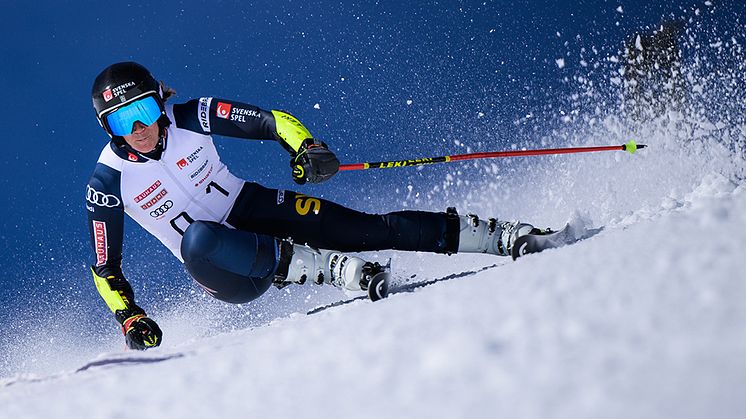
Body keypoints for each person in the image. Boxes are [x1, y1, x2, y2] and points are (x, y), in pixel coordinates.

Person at [86, 62, 540, 350]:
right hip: (228, 272)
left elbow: (268, 120)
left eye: (143, 110)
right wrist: (130, 316)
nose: (139, 127)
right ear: (109, 128)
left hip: (250, 206)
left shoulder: (192, 115)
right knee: (198, 238)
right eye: (122, 120)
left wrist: (304, 147)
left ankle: (499, 236)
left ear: (159, 102)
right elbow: (105, 267)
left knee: (366, 228)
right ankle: (329, 268)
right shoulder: (109, 181)